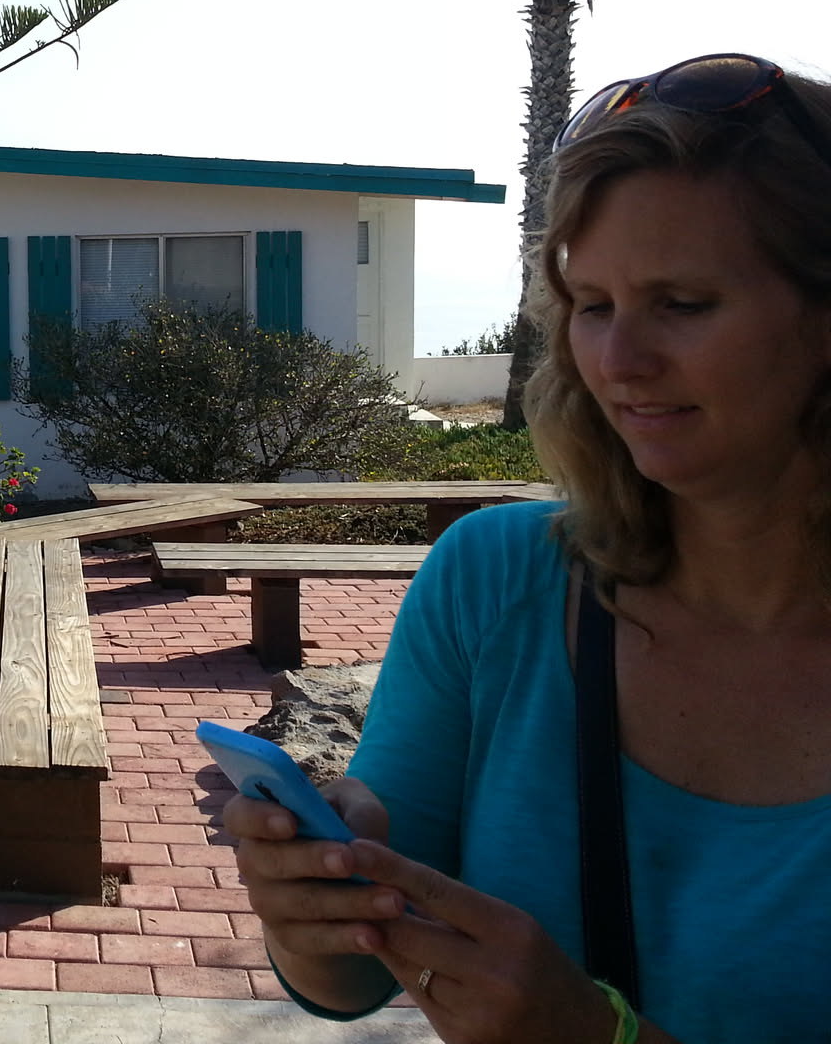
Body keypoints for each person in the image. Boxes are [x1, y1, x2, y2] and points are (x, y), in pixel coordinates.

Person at [226, 54, 831, 1043]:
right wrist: (315, 904)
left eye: (683, 303)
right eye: (592, 305)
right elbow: (353, 979)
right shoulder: (498, 580)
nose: (618, 362)